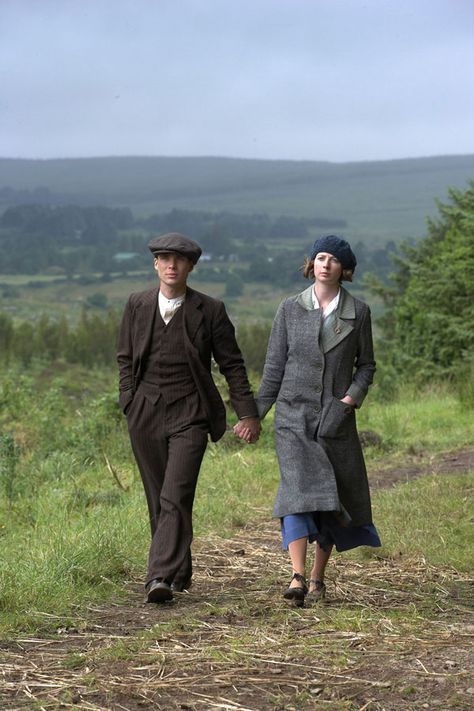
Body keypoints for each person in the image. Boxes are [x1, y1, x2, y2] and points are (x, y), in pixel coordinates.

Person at [117, 232, 261, 603]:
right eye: (164, 258)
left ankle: (159, 577)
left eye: (179, 260)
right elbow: (125, 357)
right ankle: (178, 570)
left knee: (175, 494)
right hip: (145, 412)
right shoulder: (137, 304)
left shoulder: (210, 310)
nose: (171, 265)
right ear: (155, 264)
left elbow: (232, 364)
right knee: (157, 498)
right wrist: (129, 401)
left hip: (191, 414)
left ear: (191, 266)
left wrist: (248, 413)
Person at [242, 234, 381, 606]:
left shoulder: (359, 312)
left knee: (330, 500)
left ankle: (318, 576)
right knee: (297, 494)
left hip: (335, 421)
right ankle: (297, 575)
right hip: (292, 418)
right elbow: (273, 368)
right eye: (320, 257)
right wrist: (254, 416)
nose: (326, 264)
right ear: (312, 264)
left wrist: (350, 400)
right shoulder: (289, 309)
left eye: (334, 260)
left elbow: (366, 365)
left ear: (344, 269)